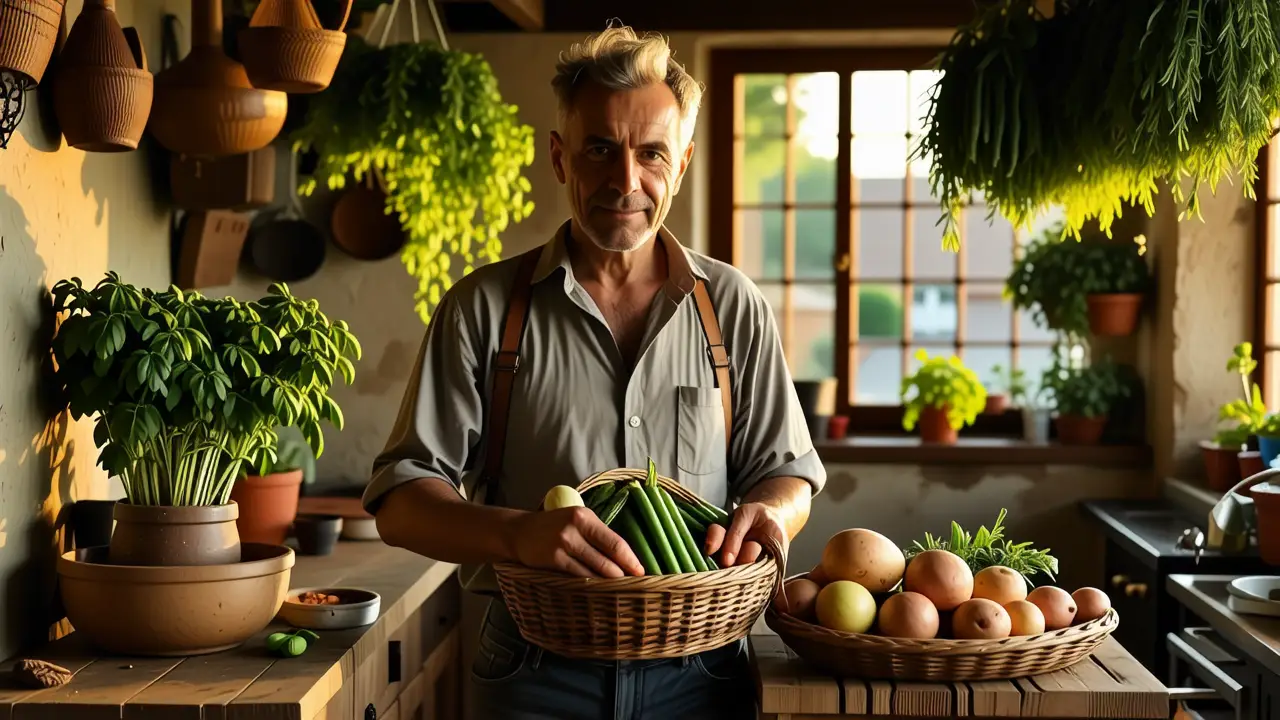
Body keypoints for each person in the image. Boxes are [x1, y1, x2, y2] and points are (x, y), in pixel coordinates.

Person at [363, 23, 826, 720]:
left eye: (651, 154)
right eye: (600, 150)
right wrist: (517, 535)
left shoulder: (733, 308)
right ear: (559, 157)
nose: (626, 181)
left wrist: (776, 511)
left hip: (701, 672)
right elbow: (400, 502)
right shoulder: (483, 311)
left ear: (685, 159)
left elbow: (788, 471)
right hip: (530, 671)